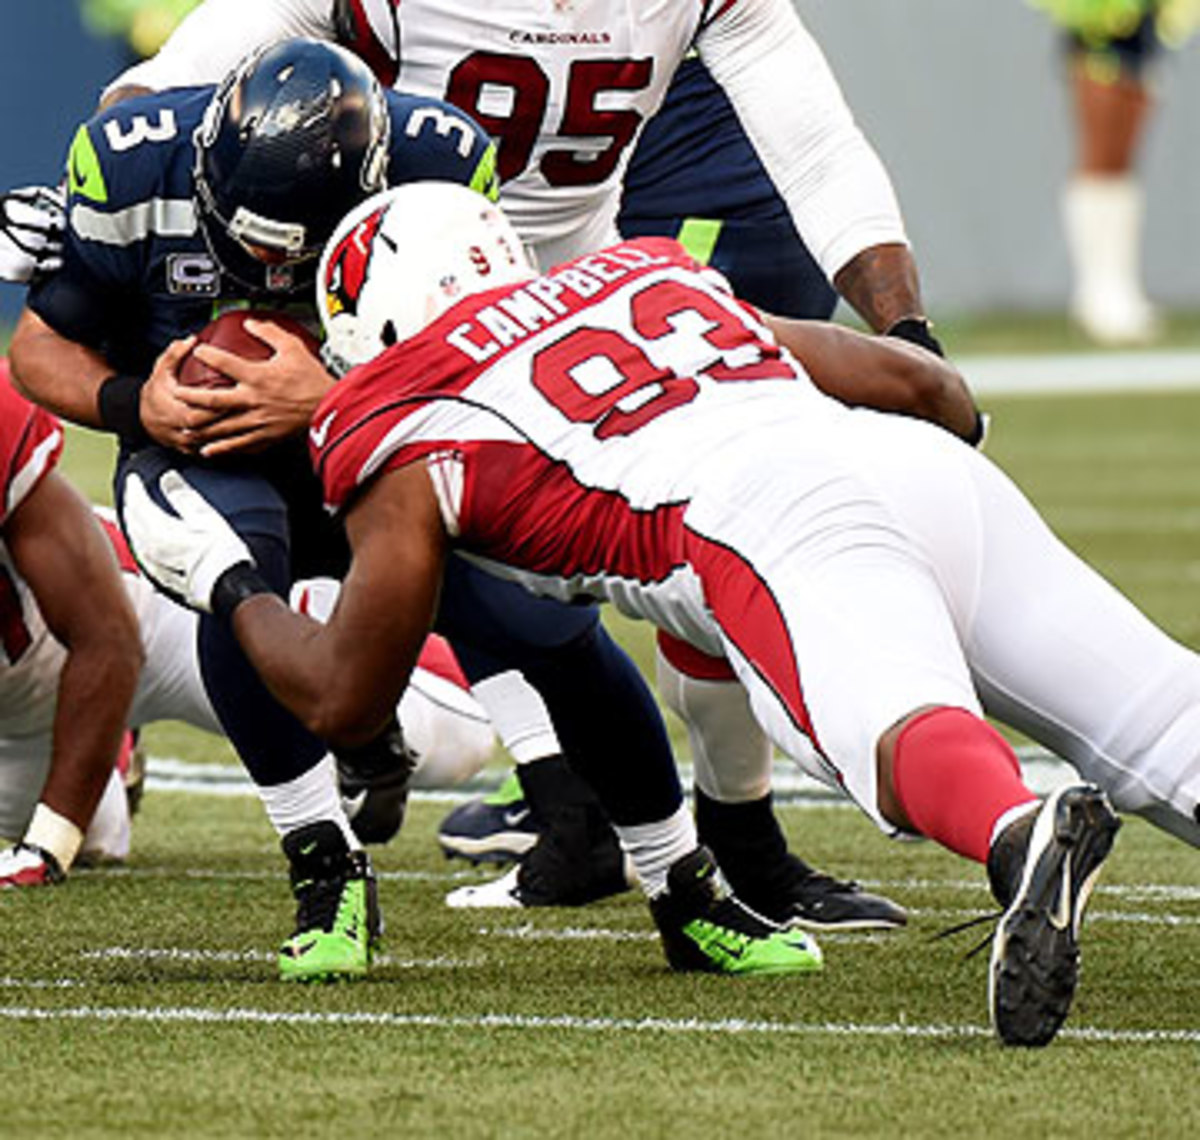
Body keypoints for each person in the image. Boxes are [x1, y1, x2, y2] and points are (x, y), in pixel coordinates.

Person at [122, 182, 1200, 1046]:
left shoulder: (396, 413)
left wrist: (230, 584)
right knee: (1158, 715)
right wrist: (947, 460)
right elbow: (921, 388)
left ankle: (1016, 836)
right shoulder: (645, 271)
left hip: (762, 516)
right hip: (911, 465)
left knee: (886, 726)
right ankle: (1026, 808)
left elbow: (347, 699)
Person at [87, 0, 958, 924]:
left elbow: (815, 147)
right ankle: (553, 798)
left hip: (580, 306)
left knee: (723, 529)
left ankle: (733, 837)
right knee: (454, 570)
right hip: (390, 325)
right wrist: (118, 217)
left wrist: (908, 333)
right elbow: (154, 97)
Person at [5, 38, 503, 980]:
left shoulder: (442, 160)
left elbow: (487, 362)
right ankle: (326, 865)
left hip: (380, 435)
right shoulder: (130, 162)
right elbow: (42, 343)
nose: (273, 269)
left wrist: (334, 399)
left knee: (530, 614)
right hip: (206, 454)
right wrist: (132, 404)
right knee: (227, 584)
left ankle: (673, 862)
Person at [0, 360, 494, 889]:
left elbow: (108, 639)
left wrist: (48, 844)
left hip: (145, 620)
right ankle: (114, 748)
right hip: (24, 707)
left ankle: (328, 624)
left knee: (461, 736)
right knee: (99, 839)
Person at [1032, 0, 1199, 344]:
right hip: (1099, 29)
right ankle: (1097, 292)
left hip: (1144, 24)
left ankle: (1118, 287)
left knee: (1122, 162)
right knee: (1102, 157)